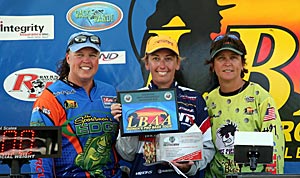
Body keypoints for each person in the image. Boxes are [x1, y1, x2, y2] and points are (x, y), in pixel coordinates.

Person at [111, 35, 215, 178]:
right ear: (147, 63)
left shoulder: (194, 99)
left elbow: (208, 148)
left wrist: (189, 168)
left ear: (177, 63)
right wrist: (125, 124)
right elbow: (126, 154)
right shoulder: (132, 102)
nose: (162, 65)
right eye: (155, 58)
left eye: (168, 58)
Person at [29, 31, 122, 178]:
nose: (86, 60)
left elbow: (123, 146)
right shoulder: (51, 98)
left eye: (92, 55)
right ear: (68, 58)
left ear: (98, 59)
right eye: (79, 54)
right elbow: (40, 157)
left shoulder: (110, 92)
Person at [204, 33, 285, 177]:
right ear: (212, 65)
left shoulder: (260, 97)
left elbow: (275, 146)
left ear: (242, 64)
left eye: (233, 58)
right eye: (221, 58)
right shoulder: (208, 101)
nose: (227, 63)